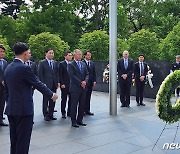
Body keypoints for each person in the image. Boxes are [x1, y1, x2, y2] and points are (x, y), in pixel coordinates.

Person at [4, 42, 58, 154]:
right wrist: (52, 95)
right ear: (24, 53)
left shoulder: (8, 67)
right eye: (29, 52)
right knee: (23, 142)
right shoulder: (24, 68)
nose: (29, 54)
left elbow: (7, 90)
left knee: (14, 140)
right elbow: (37, 83)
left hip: (11, 109)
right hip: (24, 111)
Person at [68, 49, 89, 128]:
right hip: (75, 88)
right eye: (78, 54)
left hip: (83, 88)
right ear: (74, 55)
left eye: (81, 54)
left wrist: (85, 81)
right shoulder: (71, 64)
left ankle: (80, 120)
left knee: (82, 104)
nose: (80, 56)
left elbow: (87, 73)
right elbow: (72, 75)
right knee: (74, 105)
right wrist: (80, 83)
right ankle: (73, 121)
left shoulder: (83, 64)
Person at [38, 48, 60, 121]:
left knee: (53, 99)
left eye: (52, 53)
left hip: (54, 83)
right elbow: (40, 73)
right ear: (46, 54)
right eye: (50, 53)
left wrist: (58, 82)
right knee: (46, 99)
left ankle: (51, 114)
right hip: (46, 84)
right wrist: (42, 83)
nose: (51, 54)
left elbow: (57, 73)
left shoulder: (55, 62)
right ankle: (46, 114)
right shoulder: (42, 62)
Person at [59, 51, 73, 119]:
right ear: (65, 56)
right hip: (64, 84)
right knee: (64, 99)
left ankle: (69, 112)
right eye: (69, 55)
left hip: (72, 84)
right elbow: (60, 74)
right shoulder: (62, 64)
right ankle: (63, 112)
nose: (71, 56)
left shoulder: (73, 63)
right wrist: (62, 83)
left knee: (71, 99)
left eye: (71, 55)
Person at [82, 51, 96, 116]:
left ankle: (87, 110)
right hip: (85, 82)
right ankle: (83, 110)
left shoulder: (92, 63)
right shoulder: (82, 63)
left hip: (90, 82)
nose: (89, 56)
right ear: (85, 56)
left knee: (88, 97)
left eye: (90, 55)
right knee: (83, 97)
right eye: (88, 55)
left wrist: (94, 81)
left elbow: (94, 73)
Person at [0, 44, 8, 126]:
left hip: (3, 87)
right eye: (0, 51)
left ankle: (0, 118)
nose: (2, 53)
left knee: (2, 103)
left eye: (3, 51)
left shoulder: (5, 62)